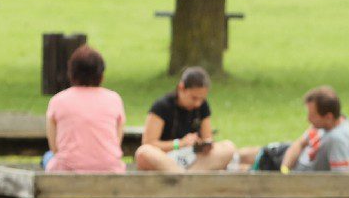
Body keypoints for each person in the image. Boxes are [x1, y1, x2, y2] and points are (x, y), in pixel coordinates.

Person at [134, 67, 237, 173]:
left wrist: (203, 144)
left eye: (201, 99)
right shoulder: (162, 106)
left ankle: (189, 176)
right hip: (166, 159)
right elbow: (148, 143)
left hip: (194, 159)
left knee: (228, 147)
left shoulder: (202, 106)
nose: (197, 103)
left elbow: (207, 138)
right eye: (194, 98)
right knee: (144, 152)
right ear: (181, 88)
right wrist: (179, 143)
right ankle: (183, 176)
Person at [44, 45, 126, 173]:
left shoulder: (58, 101)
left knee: (48, 156)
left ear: (71, 74)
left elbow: (55, 148)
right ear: (101, 75)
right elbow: (116, 140)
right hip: (110, 169)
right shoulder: (114, 99)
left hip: (67, 170)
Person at [243, 86, 349, 173]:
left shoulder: (337, 140)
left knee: (236, 163)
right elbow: (299, 143)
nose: (308, 119)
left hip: (296, 177)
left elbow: (340, 181)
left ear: (328, 117)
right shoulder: (328, 123)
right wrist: (285, 170)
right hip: (286, 159)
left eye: (312, 116)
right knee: (243, 156)